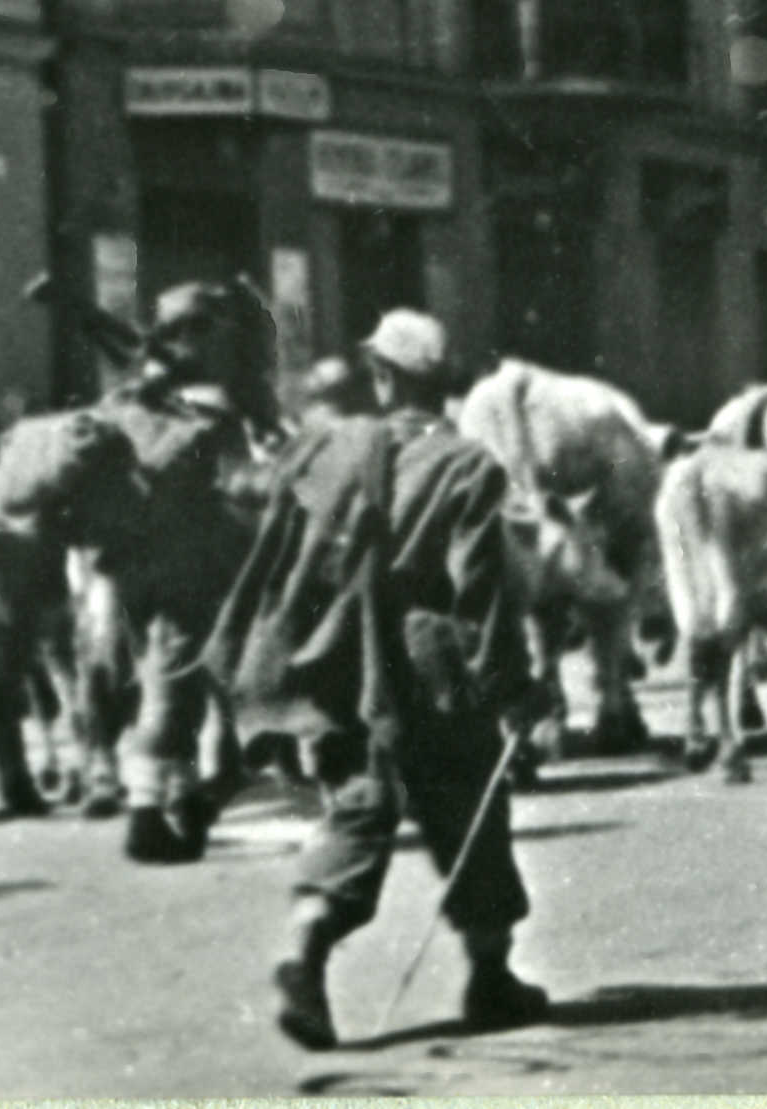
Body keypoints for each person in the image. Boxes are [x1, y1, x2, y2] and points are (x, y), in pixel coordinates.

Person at [209, 309, 548, 1051]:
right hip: (433, 670)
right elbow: (480, 588)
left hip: (341, 658)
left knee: (357, 804)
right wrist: (514, 686)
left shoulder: (331, 451)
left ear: (383, 377)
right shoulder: (467, 464)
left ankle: (304, 948)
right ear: (446, 384)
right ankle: (490, 978)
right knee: (471, 810)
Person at [95, 281, 263, 863]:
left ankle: (186, 800)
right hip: (186, 561)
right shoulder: (208, 401)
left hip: (129, 562)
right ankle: (144, 815)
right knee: (171, 681)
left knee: (171, 679)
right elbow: (241, 477)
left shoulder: (129, 399)